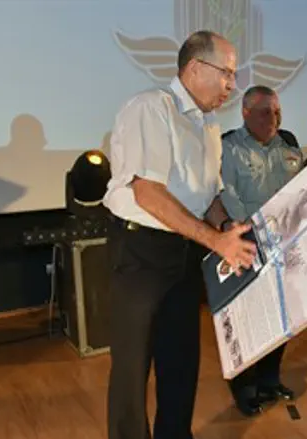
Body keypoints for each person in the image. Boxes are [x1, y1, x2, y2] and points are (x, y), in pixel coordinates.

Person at [102, 30, 257, 439]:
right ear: (193, 68)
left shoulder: (208, 125)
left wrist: (226, 227)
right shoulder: (150, 109)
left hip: (185, 251)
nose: (232, 85)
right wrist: (215, 240)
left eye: (234, 75)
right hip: (141, 252)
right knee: (133, 368)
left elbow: (207, 195)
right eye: (225, 73)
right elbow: (149, 192)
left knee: (181, 360)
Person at [219, 85, 301, 416]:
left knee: (281, 316)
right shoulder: (229, 147)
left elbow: (300, 190)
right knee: (247, 322)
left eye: (277, 111)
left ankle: (270, 379)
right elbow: (227, 195)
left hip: (286, 244)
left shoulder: (289, 146)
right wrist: (257, 230)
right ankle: (245, 387)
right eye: (266, 111)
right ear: (246, 113)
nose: (274, 117)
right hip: (248, 245)